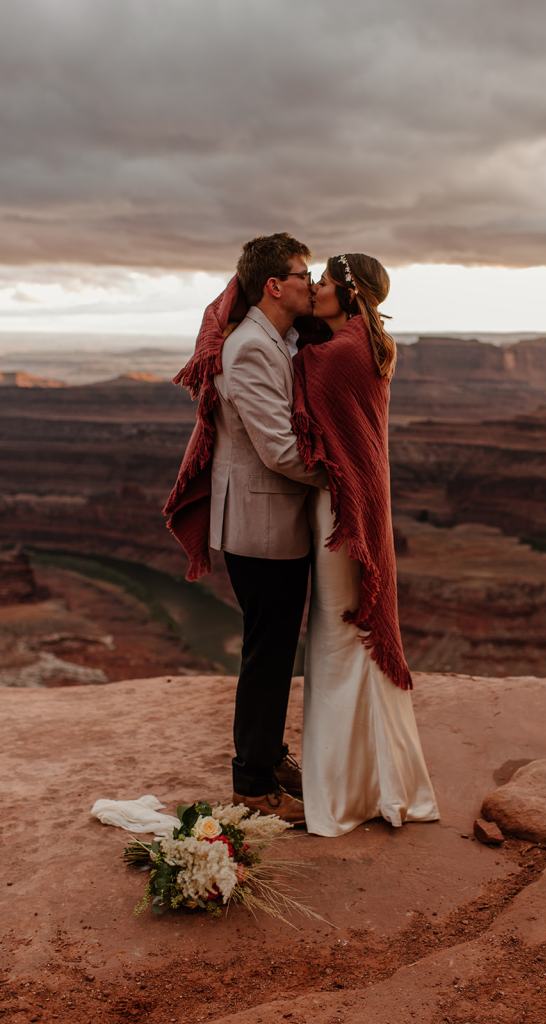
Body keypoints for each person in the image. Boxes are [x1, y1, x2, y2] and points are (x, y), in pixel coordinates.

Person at [164, 233, 326, 825]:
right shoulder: (252, 348)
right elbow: (279, 450)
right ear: (274, 286)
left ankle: (268, 756)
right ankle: (254, 784)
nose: (312, 284)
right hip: (261, 525)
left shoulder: (278, 338)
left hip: (271, 521)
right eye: (303, 275)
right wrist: (347, 479)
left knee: (275, 649)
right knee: (267, 653)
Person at [291, 254, 440, 836]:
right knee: (355, 636)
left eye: (323, 284)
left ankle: (343, 795)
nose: (315, 292)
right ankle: (384, 784)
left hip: (339, 512)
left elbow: (309, 415)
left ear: (349, 294)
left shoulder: (333, 356)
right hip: (361, 509)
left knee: (336, 637)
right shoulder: (371, 343)